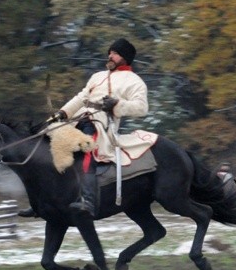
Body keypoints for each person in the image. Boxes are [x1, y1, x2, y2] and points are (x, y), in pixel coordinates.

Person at [19, 38, 148, 218]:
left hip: (99, 124)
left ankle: (88, 201)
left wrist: (118, 104)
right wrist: (63, 113)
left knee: (88, 152)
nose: (110, 55)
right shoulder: (97, 76)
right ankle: (40, 201)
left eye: (115, 53)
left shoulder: (134, 81)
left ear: (125, 57)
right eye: (110, 52)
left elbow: (142, 108)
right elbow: (80, 98)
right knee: (43, 146)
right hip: (76, 119)